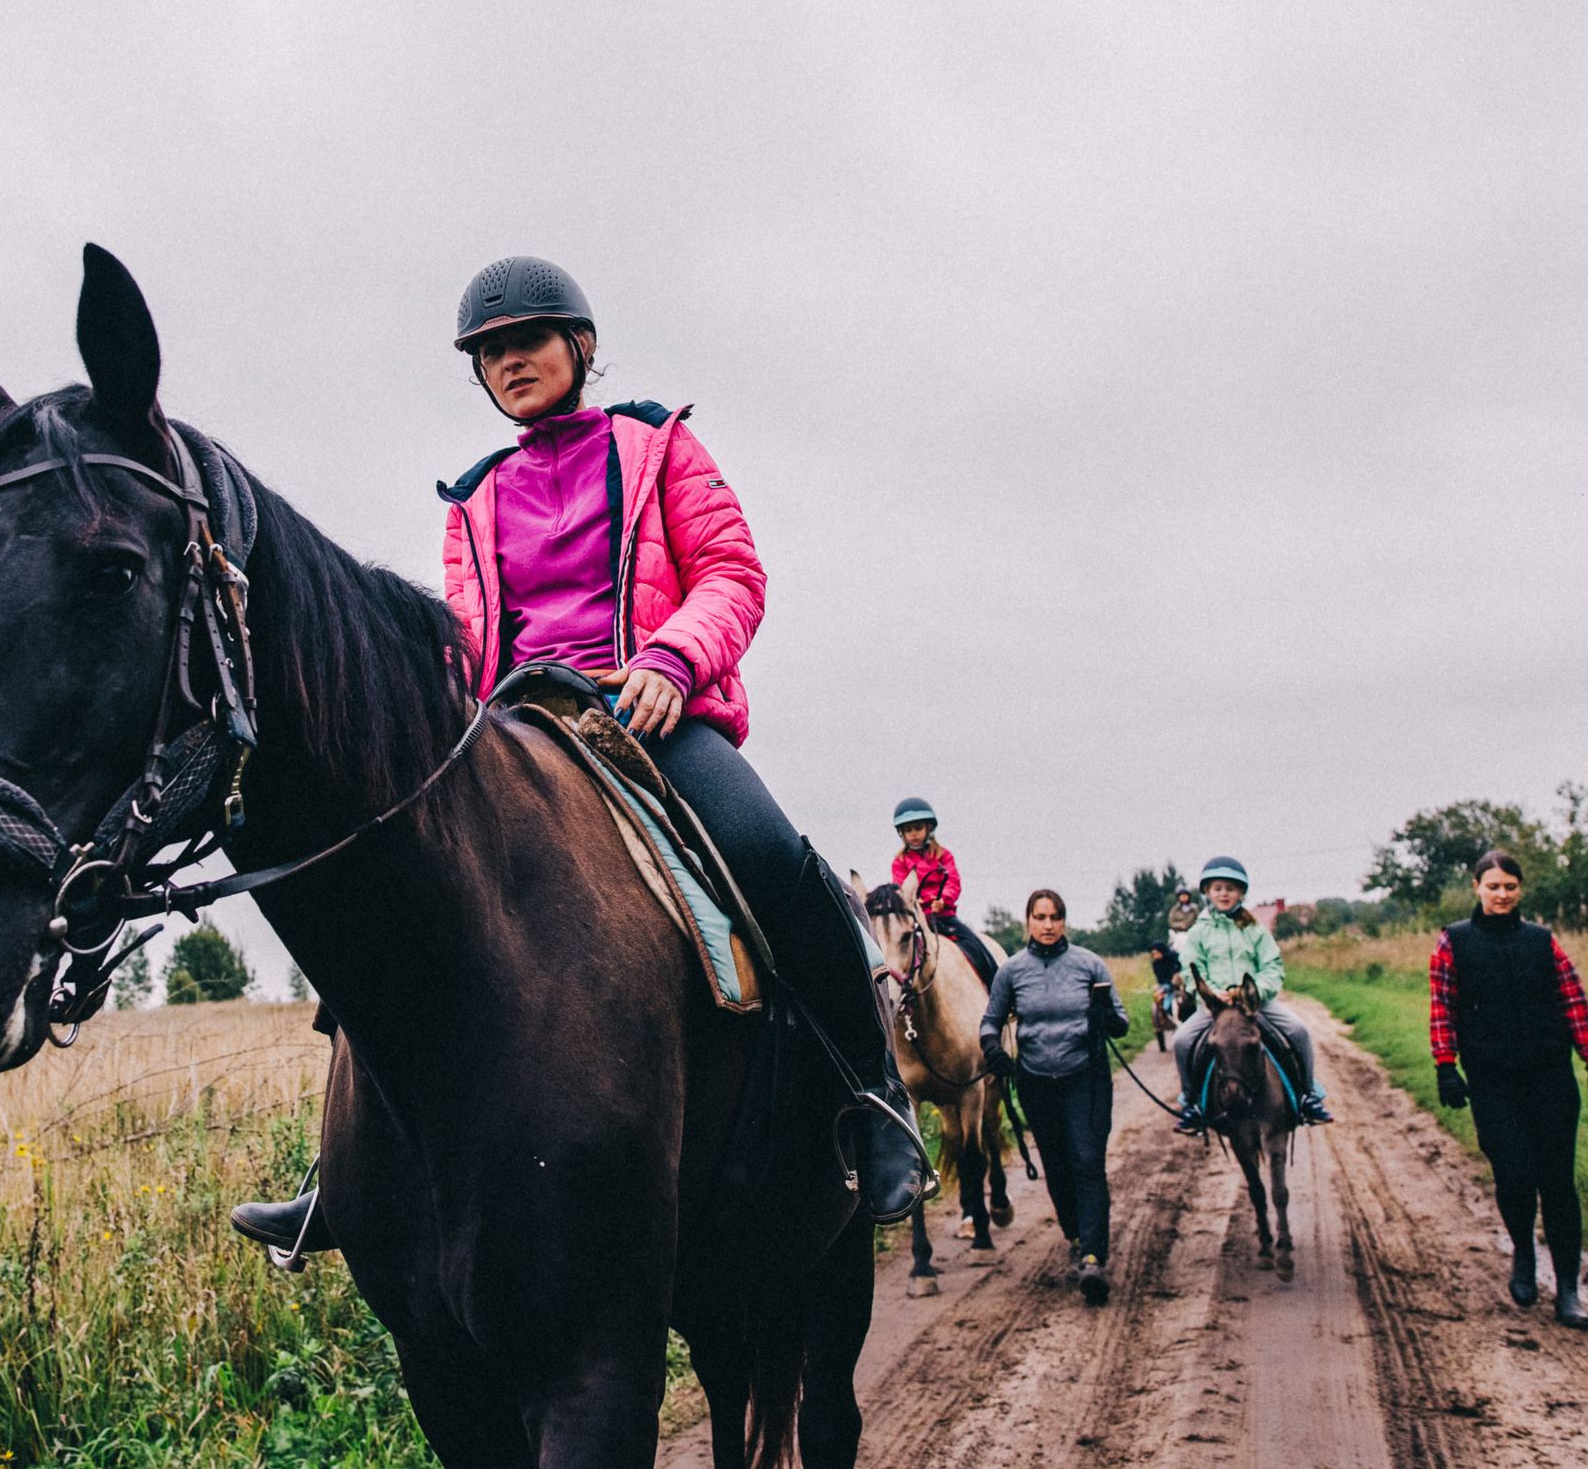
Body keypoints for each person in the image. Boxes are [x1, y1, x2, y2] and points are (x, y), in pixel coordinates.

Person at [231, 256, 927, 1254]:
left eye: (529, 341)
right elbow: (472, 648)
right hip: (515, 729)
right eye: (489, 352)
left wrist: (673, 661)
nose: (509, 361)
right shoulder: (471, 500)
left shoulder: (659, 447)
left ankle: (872, 1096)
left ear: (581, 349)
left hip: (650, 715)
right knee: (390, 893)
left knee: (771, 856)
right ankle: (340, 1175)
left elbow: (732, 573)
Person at [1430, 848, 1588, 1330]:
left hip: (1550, 1078)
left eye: (1510, 886)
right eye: (1494, 886)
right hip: (1492, 1081)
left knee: (1557, 1183)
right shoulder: (1454, 942)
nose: (1502, 894)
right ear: (1478, 888)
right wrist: (1446, 1065)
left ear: (1520, 889)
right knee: (1514, 1172)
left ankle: (1568, 1291)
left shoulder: (1543, 942)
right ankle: (1524, 1255)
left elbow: (1574, 1002)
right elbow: (1442, 1007)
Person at [979, 889, 1127, 1304]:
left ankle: (1093, 1256)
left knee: (1087, 1160)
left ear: (1064, 921)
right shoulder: (1012, 972)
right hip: (1035, 1081)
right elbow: (990, 1021)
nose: (1048, 925)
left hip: (1086, 1078)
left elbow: (1121, 1022)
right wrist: (992, 1049)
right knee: (1057, 1165)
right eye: (1040, 917)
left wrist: (1106, 1018)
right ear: (1028, 920)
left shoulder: (1088, 964)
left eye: (1055, 917)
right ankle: (1077, 1234)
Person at [1170, 856, 1332, 1131]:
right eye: (1218, 888)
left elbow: (1272, 966)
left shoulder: (1254, 928)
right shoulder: (1199, 932)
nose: (1224, 893)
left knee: (1298, 1030)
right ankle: (1193, 1104)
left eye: (1231, 888)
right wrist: (1210, 991)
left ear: (1241, 893)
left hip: (1255, 1006)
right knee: (1182, 1040)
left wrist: (1254, 990)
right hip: (1214, 1008)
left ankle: (1307, 1096)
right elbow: (1190, 968)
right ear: (1208, 891)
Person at [888, 797, 1002, 989]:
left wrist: (943, 900)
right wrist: (921, 902)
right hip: (916, 920)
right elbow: (902, 890)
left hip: (944, 916)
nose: (913, 834)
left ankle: (998, 989)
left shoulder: (943, 855)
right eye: (908, 830)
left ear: (929, 828)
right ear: (902, 834)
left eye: (918, 828)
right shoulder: (899, 862)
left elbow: (953, 881)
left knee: (976, 946)